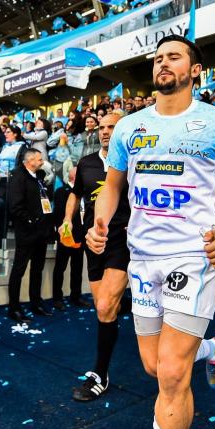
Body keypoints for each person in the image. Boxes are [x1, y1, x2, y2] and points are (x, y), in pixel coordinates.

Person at [87, 35, 215, 429]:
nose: (163, 63)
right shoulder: (128, 127)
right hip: (142, 258)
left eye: (174, 57)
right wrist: (100, 220)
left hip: (197, 257)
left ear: (195, 70)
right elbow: (112, 186)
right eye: (158, 58)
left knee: (170, 371)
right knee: (152, 365)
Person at [67, 112, 133, 402]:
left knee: (105, 306)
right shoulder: (87, 163)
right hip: (94, 240)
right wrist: (67, 220)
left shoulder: (137, 162)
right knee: (103, 308)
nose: (106, 132)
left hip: (125, 240)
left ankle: (100, 374)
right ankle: (126, 302)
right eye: (103, 127)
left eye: (113, 127)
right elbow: (75, 194)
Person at [7, 148, 56, 321]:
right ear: (29, 161)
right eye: (39, 159)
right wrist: (32, 221)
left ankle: (36, 302)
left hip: (42, 231)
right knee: (19, 269)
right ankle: (14, 307)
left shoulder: (40, 175)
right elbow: (15, 206)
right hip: (27, 232)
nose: (42, 161)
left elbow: (44, 200)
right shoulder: (17, 176)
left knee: (38, 269)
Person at [51, 166, 84, 311]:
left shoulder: (85, 193)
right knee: (60, 268)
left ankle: (76, 297)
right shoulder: (61, 192)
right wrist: (65, 236)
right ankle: (57, 299)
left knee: (77, 268)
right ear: (74, 177)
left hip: (81, 236)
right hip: (66, 236)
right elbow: (59, 215)